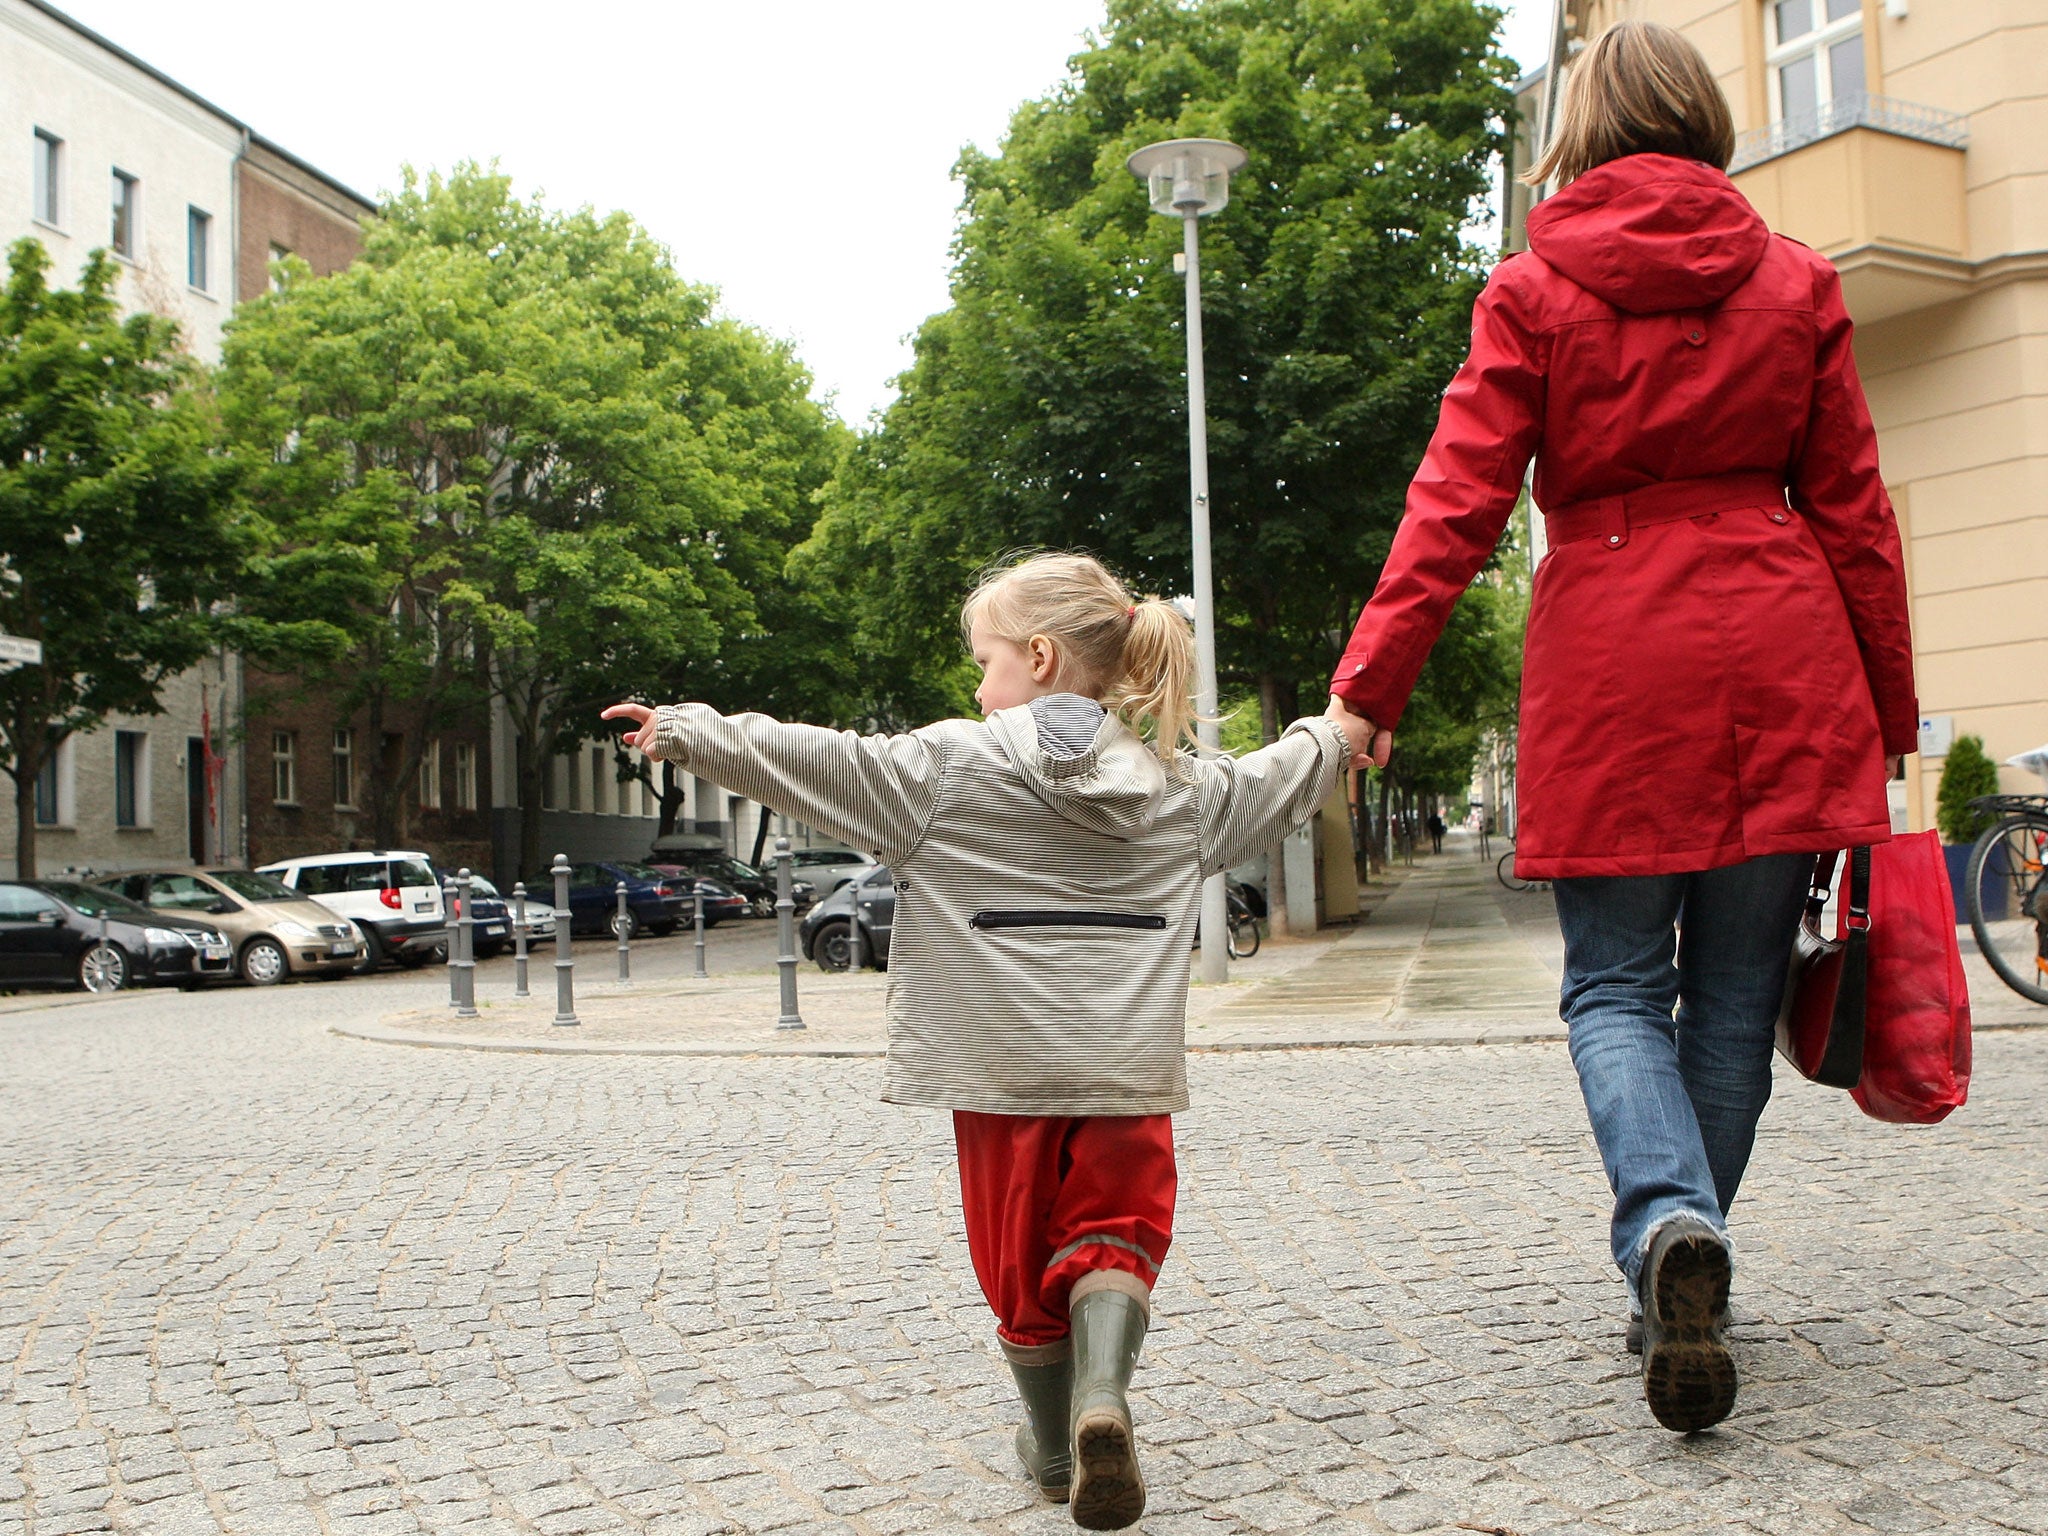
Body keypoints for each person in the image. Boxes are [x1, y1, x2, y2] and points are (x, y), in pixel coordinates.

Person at [1323, 22, 1914, 1434]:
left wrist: (1370, 690)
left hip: (1613, 665)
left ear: (1581, 128)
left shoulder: (1534, 290)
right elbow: (1855, 514)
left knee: (1608, 990)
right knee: (1731, 999)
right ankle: (1676, 1265)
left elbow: (1454, 505)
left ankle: (1663, 1234)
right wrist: (1887, 710)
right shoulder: (1798, 282)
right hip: (1784, 657)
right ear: (1705, 121)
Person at [605, 552, 1371, 1527]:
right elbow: (1277, 778)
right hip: (1121, 1072)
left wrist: (685, 733)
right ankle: (1104, 1396)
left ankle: (1055, 1451)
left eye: (986, 659)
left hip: (998, 1072)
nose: (977, 683)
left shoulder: (939, 772)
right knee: (1114, 1241)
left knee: (1019, 1273)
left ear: (1040, 657)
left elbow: (810, 760)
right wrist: (1337, 732)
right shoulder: (1178, 792)